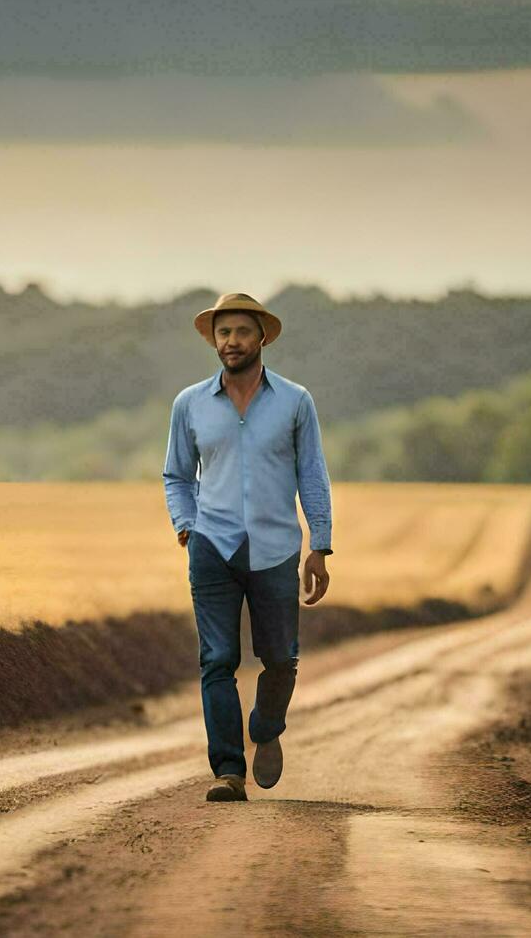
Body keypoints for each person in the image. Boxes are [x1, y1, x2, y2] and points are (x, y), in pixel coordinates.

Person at [162, 293, 333, 803]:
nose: (231, 342)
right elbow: (176, 475)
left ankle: (266, 727)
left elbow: (313, 477)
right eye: (222, 333)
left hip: (277, 547)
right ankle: (228, 770)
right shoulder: (189, 403)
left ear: (261, 338)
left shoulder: (295, 401)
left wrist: (320, 545)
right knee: (217, 658)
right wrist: (186, 526)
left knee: (280, 658)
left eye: (240, 332)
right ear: (213, 341)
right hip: (211, 546)